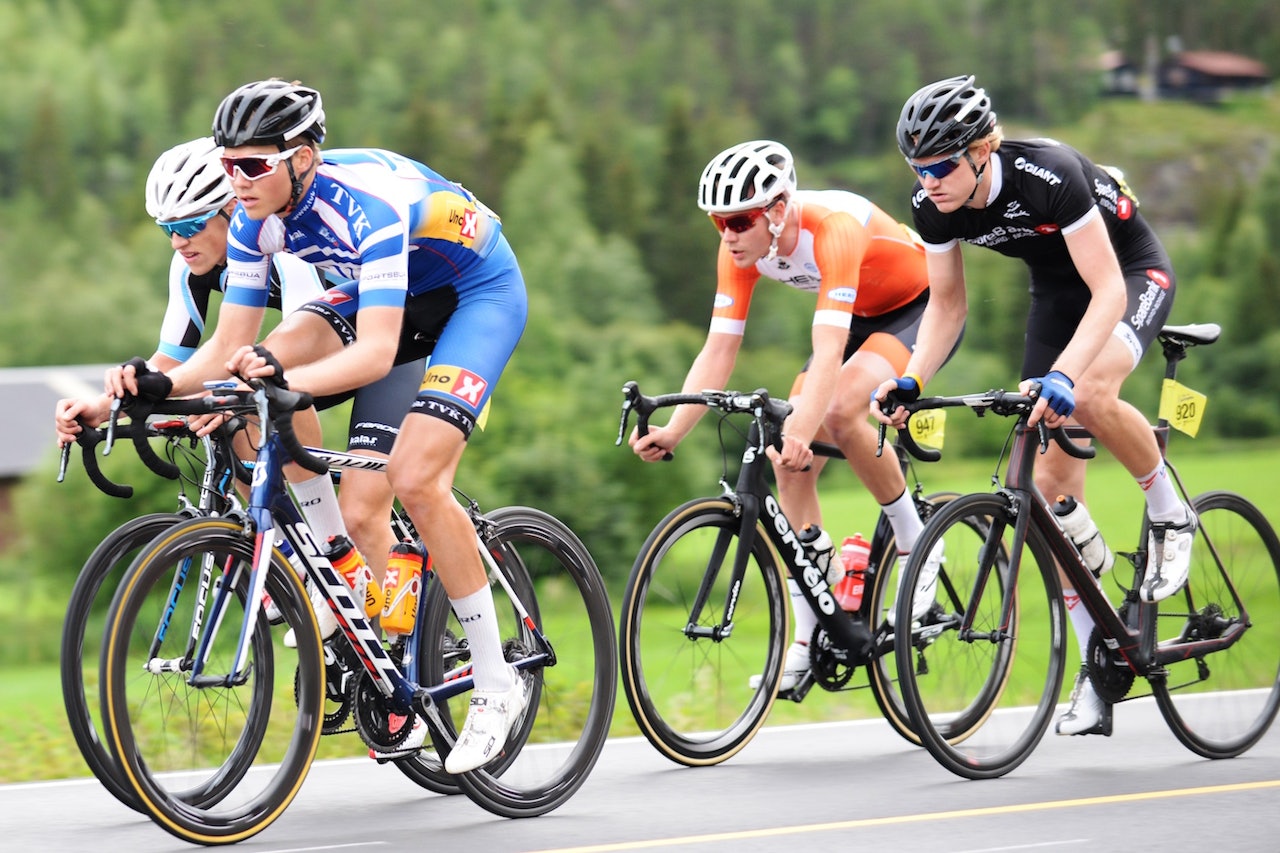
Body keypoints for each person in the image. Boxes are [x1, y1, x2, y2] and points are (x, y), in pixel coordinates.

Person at [203, 79, 529, 773]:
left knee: (413, 478)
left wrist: (279, 381)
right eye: (228, 163)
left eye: (253, 164)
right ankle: (348, 581)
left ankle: (497, 684)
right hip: (398, 289)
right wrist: (140, 387)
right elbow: (226, 348)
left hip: (475, 293)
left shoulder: (367, 206)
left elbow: (376, 354)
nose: (238, 179)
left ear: (303, 158)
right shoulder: (251, 217)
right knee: (257, 360)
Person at [872, 75, 1193, 737]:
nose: (928, 181)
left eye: (939, 166)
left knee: (1095, 392)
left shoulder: (1047, 174)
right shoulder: (932, 205)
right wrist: (910, 377)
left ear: (983, 148)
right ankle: (1100, 661)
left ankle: (1171, 511)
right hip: (1056, 293)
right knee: (1043, 496)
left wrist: (1067, 375)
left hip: (1129, 275)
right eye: (916, 168)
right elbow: (947, 305)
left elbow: (1107, 292)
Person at [53, 137, 424, 641]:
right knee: (238, 411)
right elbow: (172, 361)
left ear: (231, 208)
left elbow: (292, 345)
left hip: (386, 350)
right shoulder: (190, 266)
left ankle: (383, 624)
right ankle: (304, 557)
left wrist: (229, 384)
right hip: (302, 362)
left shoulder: (283, 244)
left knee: (360, 510)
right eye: (167, 229)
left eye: (188, 226)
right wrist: (109, 403)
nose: (178, 242)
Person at [629, 139, 955, 693]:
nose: (728, 235)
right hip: (857, 318)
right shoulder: (739, 250)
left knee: (837, 411)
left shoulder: (834, 227)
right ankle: (809, 635)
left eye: (737, 221)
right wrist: (675, 428)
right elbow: (719, 350)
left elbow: (827, 352)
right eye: (717, 223)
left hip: (918, 310)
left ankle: (916, 541)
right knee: (788, 461)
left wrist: (806, 428)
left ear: (777, 210)